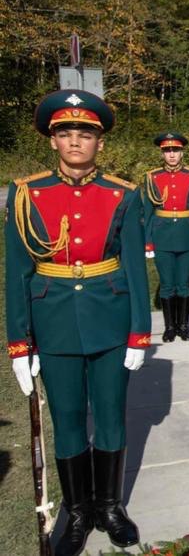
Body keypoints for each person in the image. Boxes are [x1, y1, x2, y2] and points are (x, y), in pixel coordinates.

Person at [5, 89, 150, 554]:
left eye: (84, 134)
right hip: (54, 322)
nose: (74, 141)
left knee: (110, 416)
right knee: (67, 419)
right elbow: (18, 271)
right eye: (65, 133)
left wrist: (139, 333)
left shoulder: (123, 194)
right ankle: (77, 511)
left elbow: (134, 268)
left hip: (110, 320)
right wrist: (19, 343)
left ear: (99, 143)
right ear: (52, 141)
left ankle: (110, 506)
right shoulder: (26, 194)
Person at [142, 133, 189, 342]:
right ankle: (170, 327)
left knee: (184, 284)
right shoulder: (152, 177)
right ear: (162, 153)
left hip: (187, 235)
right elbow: (148, 212)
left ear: (182, 153)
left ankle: (183, 326)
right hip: (162, 236)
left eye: (175, 150)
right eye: (167, 151)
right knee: (167, 284)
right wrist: (148, 242)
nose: (171, 155)